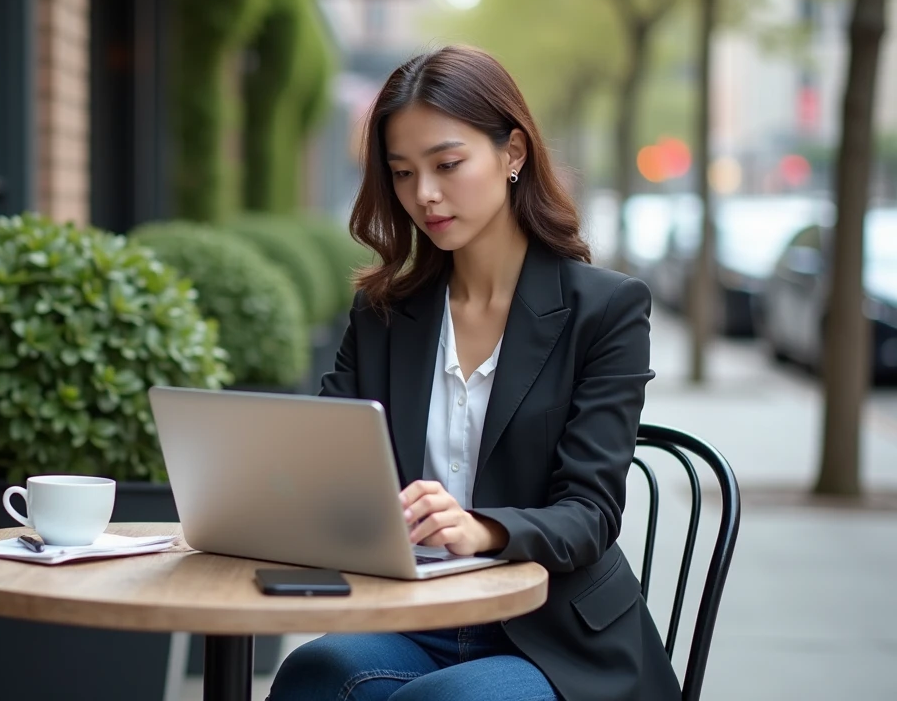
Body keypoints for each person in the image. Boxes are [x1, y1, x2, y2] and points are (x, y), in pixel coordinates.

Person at [267, 45, 680, 701]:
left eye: (447, 164)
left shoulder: (605, 310)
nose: (423, 195)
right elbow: (328, 465)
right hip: (420, 618)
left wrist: (481, 527)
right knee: (314, 674)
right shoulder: (384, 317)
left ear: (513, 153)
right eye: (402, 173)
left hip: (559, 637)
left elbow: (591, 512)